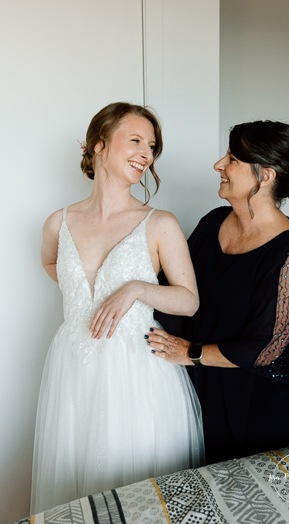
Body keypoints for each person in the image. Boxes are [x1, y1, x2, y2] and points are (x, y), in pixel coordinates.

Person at [31, 102, 204, 514]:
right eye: (136, 141)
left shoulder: (159, 223)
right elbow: (52, 263)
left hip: (136, 374)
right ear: (99, 145)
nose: (146, 153)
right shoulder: (59, 222)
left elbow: (189, 300)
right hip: (72, 370)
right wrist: (84, 297)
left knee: (136, 493)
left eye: (152, 146)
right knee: (76, 493)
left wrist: (135, 289)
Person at [150, 120, 289, 464]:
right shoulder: (212, 222)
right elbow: (175, 291)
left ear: (266, 175)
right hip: (203, 390)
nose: (219, 165)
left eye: (232, 159)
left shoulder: (288, 254)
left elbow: (267, 347)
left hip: (259, 408)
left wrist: (191, 352)